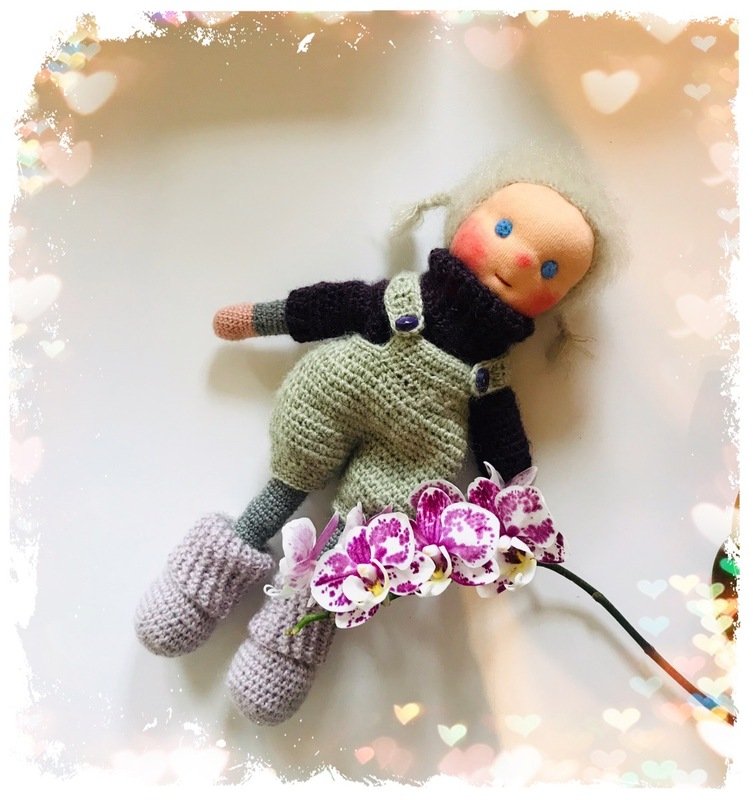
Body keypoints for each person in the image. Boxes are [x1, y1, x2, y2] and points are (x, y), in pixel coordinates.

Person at [134, 141, 625, 725]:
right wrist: (261, 317)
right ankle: (198, 584)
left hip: (410, 452)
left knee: (357, 540)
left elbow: (500, 433)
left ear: (559, 299)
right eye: (503, 228)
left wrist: (516, 493)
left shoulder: (489, 370)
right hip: (333, 396)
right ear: (466, 216)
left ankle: (292, 634)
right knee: (289, 480)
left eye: (548, 270)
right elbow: (330, 306)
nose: (520, 258)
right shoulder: (398, 297)